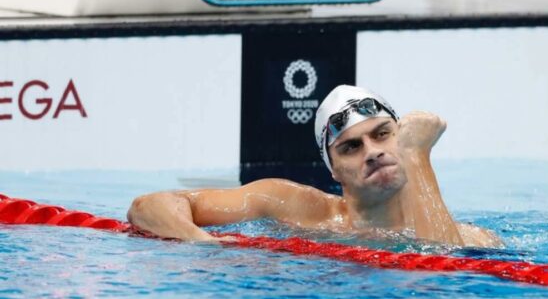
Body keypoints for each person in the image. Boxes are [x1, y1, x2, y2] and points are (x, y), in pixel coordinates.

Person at [128, 85, 503, 248]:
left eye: (383, 134)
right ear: (333, 171)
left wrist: (419, 156)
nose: (371, 152)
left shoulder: (473, 238)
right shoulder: (298, 209)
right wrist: (201, 243)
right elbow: (150, 205)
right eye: (351, 147)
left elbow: (443, 274)